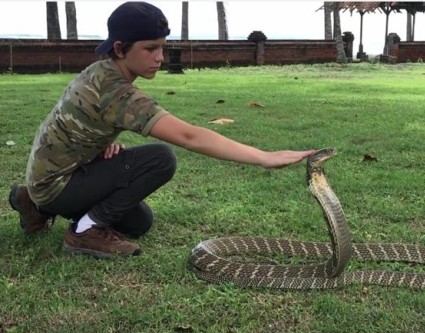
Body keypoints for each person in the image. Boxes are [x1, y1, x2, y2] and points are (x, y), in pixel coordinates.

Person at [8, 1, 314, 259]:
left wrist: (97, 150)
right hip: (57, 185)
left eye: (162, 48)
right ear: (120, 48)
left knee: (139, 222)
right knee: (160, 158)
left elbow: (74, 123)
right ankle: (82, 231)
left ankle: (32, 203)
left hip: (54, 176)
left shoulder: (100, 71)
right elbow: (189, 136)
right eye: (150, 48)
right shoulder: (117, 93)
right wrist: (264, 157)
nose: (160, 57)